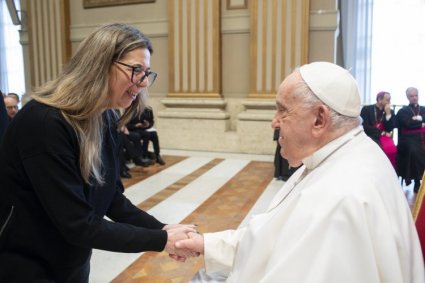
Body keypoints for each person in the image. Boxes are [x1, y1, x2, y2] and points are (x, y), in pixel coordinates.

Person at [174, 62, 425, 282]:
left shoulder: (340, 197)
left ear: (319, 120)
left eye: (283, 110)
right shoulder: (343, 154)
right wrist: (207, 244)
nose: (274, 121)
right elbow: (273, 237)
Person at [0, 23, 196, 282]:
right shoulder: (44, 122)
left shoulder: (104, 118)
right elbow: (77, 223)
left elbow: (111, 199)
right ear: (99, 64)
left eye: (147, 73)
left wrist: (162, 229)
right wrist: (161, 240)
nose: (144, 82)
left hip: (72, 260)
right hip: (27, 264)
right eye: (136, 70)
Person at [396, 87, 425, 193]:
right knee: (414, 151)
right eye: (412, 96)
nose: (414, 98)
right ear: (407, 97)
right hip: (409, 139)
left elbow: (413, 123)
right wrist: (421, 122)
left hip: (422, 136)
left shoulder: (423, 108)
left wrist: (419, 119)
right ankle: (417, 181)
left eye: (416, 95)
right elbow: (408, 124)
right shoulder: (403, 111)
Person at [360, 91, 397, 168]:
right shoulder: (366, 109)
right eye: (387, 100)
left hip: (384, 137)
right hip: (370, 136)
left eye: (390, 100)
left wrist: (388, 114)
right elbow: (365, 127)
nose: (389, 102)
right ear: (379, 99)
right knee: (376, 149)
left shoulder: (390, 111)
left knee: (392, 149)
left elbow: (389, 129)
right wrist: (382, 132)